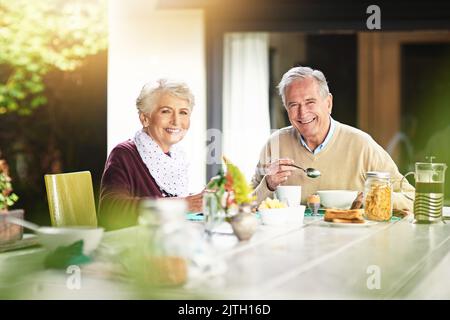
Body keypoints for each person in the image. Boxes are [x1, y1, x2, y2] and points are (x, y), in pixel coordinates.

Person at [251, 66, 414, 211]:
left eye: (310, 102)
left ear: (328, 103)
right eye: (293, 105)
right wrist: (268, 184)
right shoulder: (275, 144)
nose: (302, 113)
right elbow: (243, 204)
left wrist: (372, 198)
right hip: (291, 243)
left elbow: (411, 198)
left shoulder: (362, 145)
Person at [98, 79, 203, 230]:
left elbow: (169, 197)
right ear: (145, 118)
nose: (176, 121)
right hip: (133, 249)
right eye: (166, 111)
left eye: (183, 112)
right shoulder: (124, 154)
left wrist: (200, 200)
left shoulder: (177, 157)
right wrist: (183, 204)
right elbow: (111, 211)